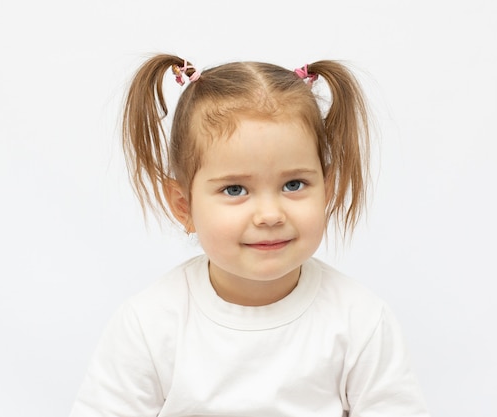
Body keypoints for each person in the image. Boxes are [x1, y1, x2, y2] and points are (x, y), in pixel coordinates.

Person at [69, 54, 430, 417]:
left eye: (294, 184)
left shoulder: (359, 320)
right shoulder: (149, 324)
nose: (270, 215)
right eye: (235, 190)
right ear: (183, 205)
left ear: (328, 189)